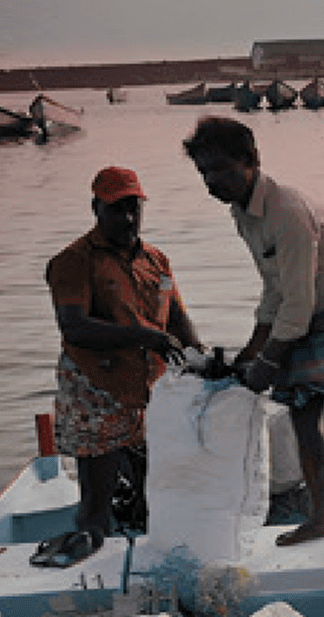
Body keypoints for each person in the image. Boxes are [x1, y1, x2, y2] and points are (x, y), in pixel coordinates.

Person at [182, 114, 324, 567]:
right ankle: (321, 516)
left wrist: (265, 364)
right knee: (303, 415)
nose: (212, 181)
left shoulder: (286, 210)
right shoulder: (242, 214)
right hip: (304, 315)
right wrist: (250, 353)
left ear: (251, 161)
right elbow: (275, 291)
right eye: (204, 172)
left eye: (221, 169)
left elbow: (297, 304)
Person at [33, 164, 202, 567]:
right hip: (97, 389)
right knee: (97, 497)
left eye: (133, 208)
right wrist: (145, 336)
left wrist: (201, 356)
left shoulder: (156, 260)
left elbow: (177, 317)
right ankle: (93, 565)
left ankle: (148, 558)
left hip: (147, 391)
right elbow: (74, 327)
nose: (127, 218)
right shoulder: (73, 261)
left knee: (152, 487)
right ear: (96, 208)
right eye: (116, 209)